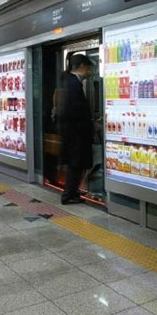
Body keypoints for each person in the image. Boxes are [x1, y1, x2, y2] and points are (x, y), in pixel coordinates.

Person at [56, 53, 95, 204]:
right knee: (75, 164)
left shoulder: (68, 81)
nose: (89, 73)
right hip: (76, 133)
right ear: (82, 67)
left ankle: (72, 192)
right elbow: (73, 110)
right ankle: (69, 195)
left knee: (75, 163)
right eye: (88, 69)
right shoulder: (73, 83)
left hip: (72, 133)